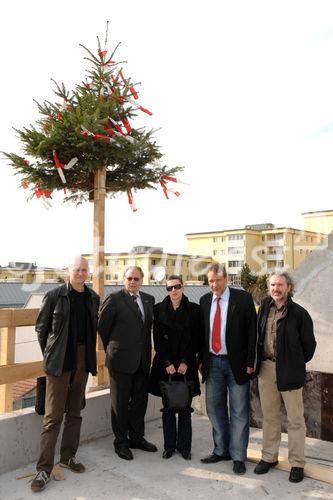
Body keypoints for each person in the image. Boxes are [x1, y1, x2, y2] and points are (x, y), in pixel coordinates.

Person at [31, 256, 100, 493]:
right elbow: (41, 329)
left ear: (87, 272)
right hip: (59, 362)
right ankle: (43, 468)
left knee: (75, 412)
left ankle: (68, 456)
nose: (80, 273)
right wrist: (51, 355)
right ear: (68, 271)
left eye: (84, 269)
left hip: (82, 360)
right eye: (76, 269)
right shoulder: (54, 296)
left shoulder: (93, 298)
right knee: (52, 417)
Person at [254, 271, 316, 483]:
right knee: (269, 417)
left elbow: (309, 347)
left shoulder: (299, 313)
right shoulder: (263, 308)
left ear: (289, 288)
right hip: (266, 368)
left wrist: (294, 363)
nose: (276, 289)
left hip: (290, 370)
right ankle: (269, 457)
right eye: (272, 285)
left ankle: (297, 463)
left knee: (295, 420)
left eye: (280, 285)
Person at [199, 263, 257, 475]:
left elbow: (252, 332)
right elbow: (201, 333)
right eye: (211, 281)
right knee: (214, 409)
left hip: (238, 365)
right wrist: (200, 359)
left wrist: (251, 361)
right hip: (212, 362)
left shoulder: (242, 299)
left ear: (227, 279)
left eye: (218, 280)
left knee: (239, 411)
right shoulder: (205, 301)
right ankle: (221, 450)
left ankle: (238, 456)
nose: (214, 284)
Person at [98, 266, 157, 460]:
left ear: (142, 280)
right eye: (129, 278)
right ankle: (121, 443)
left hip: (142, 361)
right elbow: (103, 327)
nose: (133, 281)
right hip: (120, 361)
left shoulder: (148, 300)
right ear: (124, 280)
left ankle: (137, 438)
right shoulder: (114, 299)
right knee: (120, 404)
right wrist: (113, 348)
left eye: (136, 278)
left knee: (140, 402)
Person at [149, 275, 201, 460]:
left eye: (176, 287)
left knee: (185, 409)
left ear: (183, 287)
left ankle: (184, 447)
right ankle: (169, 446)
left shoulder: (194, 310)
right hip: (167, 366)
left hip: (187, 366)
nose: (173, 291)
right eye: (169, 288)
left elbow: (196, 338)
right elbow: (158, 340)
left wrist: (186, 361)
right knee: (168, 408)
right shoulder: (158, 310)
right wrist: (168, 363)